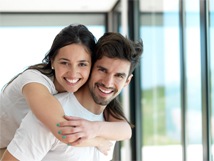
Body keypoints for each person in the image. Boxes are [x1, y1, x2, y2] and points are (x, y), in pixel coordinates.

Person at [1, 32, 143, 161]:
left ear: (127, 81)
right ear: (92, 67)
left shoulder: (109, 126)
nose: (108, 82)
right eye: (102, 70)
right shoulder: (49, 112)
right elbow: (64, 131)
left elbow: (126, 130)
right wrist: (98, 140)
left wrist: (96, 131)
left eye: (119, 76)